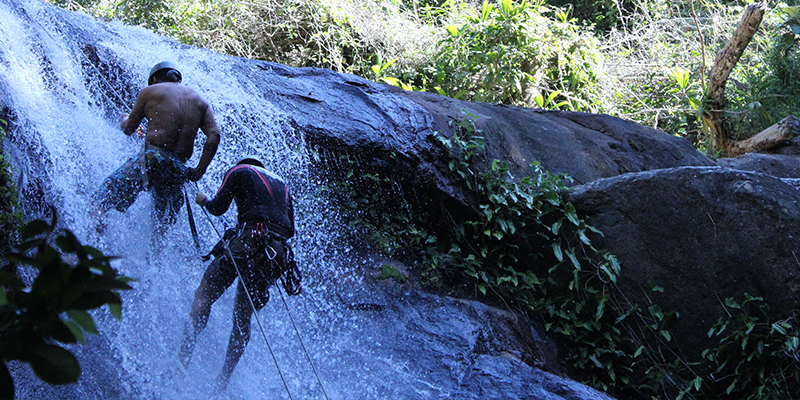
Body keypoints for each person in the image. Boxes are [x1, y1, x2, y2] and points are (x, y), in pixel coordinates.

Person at [179, 157, 300, 389]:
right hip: (277, 252)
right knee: (243, 318)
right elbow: (290, 229)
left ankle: (182, 361)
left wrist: (204, 200)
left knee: (204, 295)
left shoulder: (238, 170)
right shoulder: (282, 185)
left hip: (248, 240)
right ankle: (223, 382)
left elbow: (218, 208)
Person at [91, 61, 220, 231]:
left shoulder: (151, 91)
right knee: (161, 228)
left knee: (100, 201)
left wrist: (124, 118)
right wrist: (199, 170)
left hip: (152, 160)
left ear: (154, 79)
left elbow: (129, 129)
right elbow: (214, 136)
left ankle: (91, 247)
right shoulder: (201, 102)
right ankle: (153, 256)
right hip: (178, 169)